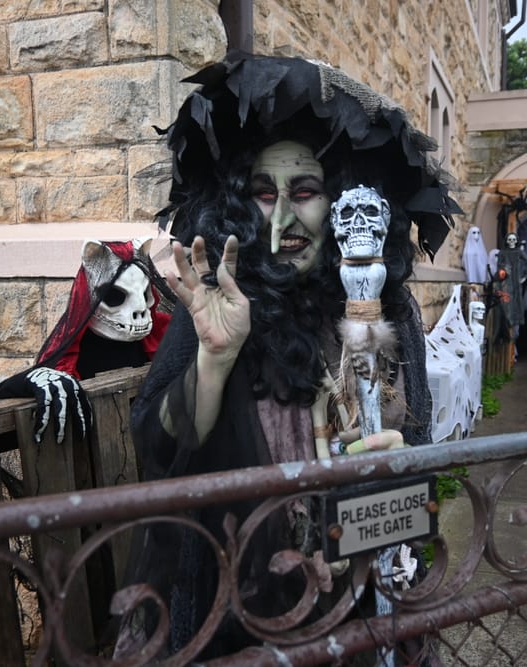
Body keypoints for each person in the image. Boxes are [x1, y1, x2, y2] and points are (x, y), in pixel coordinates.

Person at [115, 52, 460, 663]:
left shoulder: (388, 310)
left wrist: (400, 466)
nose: (282, 222)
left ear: (344, 201)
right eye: (262, 195)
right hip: (245, 604)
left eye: (304, 193)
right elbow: (160, 447)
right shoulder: (219, 305)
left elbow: (419, 447)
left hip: (362, 589)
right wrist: (215, 361)